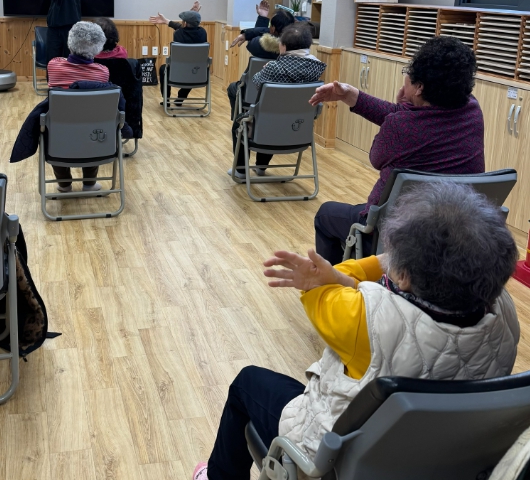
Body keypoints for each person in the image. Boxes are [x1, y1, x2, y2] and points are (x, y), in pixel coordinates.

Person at [194, 182, 519, 480]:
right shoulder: (506, 315)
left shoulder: (361, 320)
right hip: (434, 458)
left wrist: (381, 262)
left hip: (330, 465)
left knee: (246, 383)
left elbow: (326, 281)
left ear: (403, 276)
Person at [308, 35, 484, 264]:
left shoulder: (402, 124)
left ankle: (336, 282)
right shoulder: (472, 110)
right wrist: (353, 96)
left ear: (419, 87)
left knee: (325, 215)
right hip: (457, 233)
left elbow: (377, 156)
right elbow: (416, 120)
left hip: (397, 236)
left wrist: (403, 108)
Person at [228, 24, 326, 179]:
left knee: (245, 122)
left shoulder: (273, 67)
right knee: (279, 114)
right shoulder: (317, 67)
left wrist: (266, 69)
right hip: (298, 130)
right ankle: (261, 166)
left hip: (268, 128)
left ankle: (240, 170)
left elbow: (256, 82)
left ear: (283, 46)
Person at [46, 21, 110, 193]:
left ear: (70, 42)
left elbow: (61, 61)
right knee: (93, 125)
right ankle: (89, 183)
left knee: (54, 131)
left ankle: (64, 184)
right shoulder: (102, 72)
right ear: (98, 47)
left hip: (59, 136)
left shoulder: (54, 65)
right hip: (93, 136)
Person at [227, 4, 295, 117]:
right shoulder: (297, 48)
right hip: (285, 98)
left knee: (233, 88)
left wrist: (262, 19)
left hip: (256, 93)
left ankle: (241, 122)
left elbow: (254, 41)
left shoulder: (262, 46)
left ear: (273, 29)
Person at [150, 3, 207, 104]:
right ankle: (181, 97)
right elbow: (190, 28)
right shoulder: (203, 33)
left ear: (185, 23)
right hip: (198, 74)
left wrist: (166, 21)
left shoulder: (178, 33)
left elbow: (181, 29)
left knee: (163, 68)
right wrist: (194, 15)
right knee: (193, 69)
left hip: (177, 74)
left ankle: (167, 99)